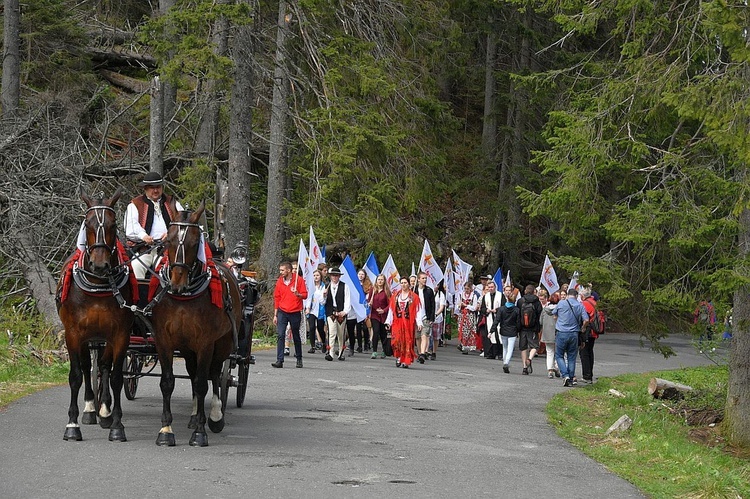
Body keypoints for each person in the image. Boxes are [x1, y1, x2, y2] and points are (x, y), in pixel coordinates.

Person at [124, 171, 182, 279]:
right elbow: (131, 227)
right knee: (136, 266)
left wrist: (170, 234)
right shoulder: (135, 205)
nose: (155, 190)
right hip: (144, 249)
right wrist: (143, 236)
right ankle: (139, 295)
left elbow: (182, 224)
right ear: (145, 188)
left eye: (158, 187)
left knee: (166, 269)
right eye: (152, 187)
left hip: (166, 250)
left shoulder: (173, 203)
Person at [272, 261, 308, 368]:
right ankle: (279, 360)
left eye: (282, 270)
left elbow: (305, 295)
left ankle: (299, 358)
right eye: (280, 270)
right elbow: (277, 297)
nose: (281, 272)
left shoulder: (299, 280)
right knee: (280, 334)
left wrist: (298, 294)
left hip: (295, 311)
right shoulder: (280, 281)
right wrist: (275, 314)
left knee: (296, 335)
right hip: (282, 311)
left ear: (289, 270)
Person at [553, 287, 588, 386]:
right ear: (576, 296)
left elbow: (554, 315)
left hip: (562, 332)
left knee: (559, 355)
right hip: (574, 334)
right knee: (571, 357)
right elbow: (586, 320)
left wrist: (558, 322)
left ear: (568, 295)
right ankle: (571, 378)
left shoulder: (561, 303)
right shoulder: (580, 305)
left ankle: (565, 375)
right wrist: (583, 328)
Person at [389, 276, 422, 368]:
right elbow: (391, 310)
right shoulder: (396, 296)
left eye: (405, 283)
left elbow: (418, 310)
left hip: (408, 323)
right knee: (397, 340)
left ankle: (405, 360)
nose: (403, 285)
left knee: (407, 340)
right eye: (402, 283)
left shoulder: (414, 297)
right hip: (397, 322)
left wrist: (419, 322)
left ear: (408, 284)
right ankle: (399, 357)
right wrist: (388, 322)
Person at [324, 267, 351, 361]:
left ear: (339, 276)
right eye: (333, 275)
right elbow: (322, 302)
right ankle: (330, 353)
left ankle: (341, 352)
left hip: (341, 313)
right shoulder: (327, 286)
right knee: (331, 332)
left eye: (336, 275)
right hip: (331, 312)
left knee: (341, 333)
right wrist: (324, 295)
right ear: (330, 276)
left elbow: (347, 300)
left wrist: (345, 311)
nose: (334, 277)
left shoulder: (345, 286)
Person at [517, 284, 542, 375]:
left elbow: (518, 314)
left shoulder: (520, 301)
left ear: (525, 291)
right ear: (533, 291)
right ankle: (530, 358)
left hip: (522, 328)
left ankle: (524, 367)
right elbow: (539, 314)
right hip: (533, 328)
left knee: (523, 347)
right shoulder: (537, 301)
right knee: (535, 346)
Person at [491, 297, 520, 373]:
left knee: (505, 348)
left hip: (503, 330)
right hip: (513, 331)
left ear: (507, 300)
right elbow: (518, 323)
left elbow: (497, 320)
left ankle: (504, 362)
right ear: (514, 301)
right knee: (510, 349)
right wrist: (518, 330)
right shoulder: (517, 310)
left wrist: (491, 331)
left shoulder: (501, 309)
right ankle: (506, 362)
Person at [479, 278, 503, 360]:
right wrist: (486, 310)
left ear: (495, 287)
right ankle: (491, 353)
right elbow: (482, 308)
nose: (490, 289)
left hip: (498, 318)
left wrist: (497, 310)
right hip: (489, 318)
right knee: (490, 335)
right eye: (489, 287)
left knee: (499, 335)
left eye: (492, 287)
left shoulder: (500, 295)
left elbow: (503, 307)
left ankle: (500, 353)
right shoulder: (485, 297)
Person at [368, 274, 391, 359]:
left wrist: (384, 310)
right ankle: (374, 351)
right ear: (376, 281)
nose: (380, 281)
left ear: (384, 281)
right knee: (376, 331)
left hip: (384, 315)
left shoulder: (387, 291)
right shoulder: (373, 290)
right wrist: (369, 304)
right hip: (374, 314)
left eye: (382, 279)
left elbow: (390, 304)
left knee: (383, 333)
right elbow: (368, 300)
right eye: (378, 279)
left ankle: (384, 350)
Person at [579, 287, 600, 383]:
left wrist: (582, 328)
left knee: (584, 353)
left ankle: (586, 376)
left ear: (582, 296)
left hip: (588, 331)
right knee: (590, 352)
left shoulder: (585, 304)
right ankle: (590, 374)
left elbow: (584, 318)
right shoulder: (595, 302)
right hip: (594, 331)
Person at [539, 290, 560, 379]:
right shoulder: (560, 310)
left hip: (547, 333)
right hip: (558, 332)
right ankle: (557, 366)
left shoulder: (545, 310)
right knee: (559, 352)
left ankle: (550, 370)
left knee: (549, 352)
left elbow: (540, 321)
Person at [415, 272, 436, 364]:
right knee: (418, 337)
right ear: (418, 279)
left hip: (425, 317)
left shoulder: (429, 291)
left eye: (425, 278)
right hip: (415, 317)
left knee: (425, 335)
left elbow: (432, 305)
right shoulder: (413, 290)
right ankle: (420, 353)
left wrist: (431, 318)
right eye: (423, 278)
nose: (424, 280)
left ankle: (423, 354)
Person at [305, 269, 327, 353]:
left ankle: (324, 343)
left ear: (320, 276)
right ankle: (312, 346)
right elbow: (308, 297)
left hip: (320, 310)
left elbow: (323, 301)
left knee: (320, 328)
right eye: (314, 276)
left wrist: (324, 296)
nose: (316, 277)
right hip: (311, 310)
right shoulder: (310, 286)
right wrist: (307, 307)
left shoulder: (323, 286)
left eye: (317, 275)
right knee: (311, 327)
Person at [428, 280, 447, 360]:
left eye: (437, 285)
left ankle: (434, 352)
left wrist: (436, 314)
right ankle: (426, 350)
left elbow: (442, 306)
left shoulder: (440, 294)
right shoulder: (428, 292)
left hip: (437, 318)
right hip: (428, 318)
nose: (436, 286)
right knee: (427, 335)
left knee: (436, 336)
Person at [457, 282, 478, 354]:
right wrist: (459, 305)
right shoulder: (461, 295)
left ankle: (466, 346)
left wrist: (466, 305)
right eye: (465, 288)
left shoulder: (474, 296)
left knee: (469, 331)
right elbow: (457, 305)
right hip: (462, 315)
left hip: (470, 315)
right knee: (462, 331)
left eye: (468, 289)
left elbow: (474, 308)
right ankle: (462, 345)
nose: (466, 290)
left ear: (471, 289)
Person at [356, 269, 373, 352]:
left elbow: (370, 295)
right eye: (359, 274)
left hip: (365, 307)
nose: (361, 276)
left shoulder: (368, 285)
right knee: (358, 327)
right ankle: (359, 345)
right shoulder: (355, 284)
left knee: (366, 327)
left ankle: (366, 343)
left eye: (362, 274)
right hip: (358, 308)